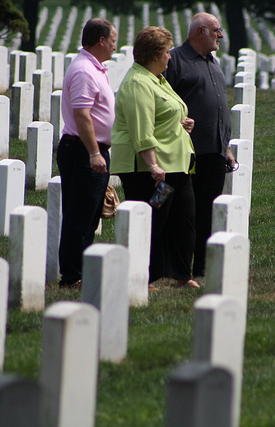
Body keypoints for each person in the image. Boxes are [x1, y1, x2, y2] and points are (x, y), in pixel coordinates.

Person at [110, 26, 199, 289]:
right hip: (152, 169)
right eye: (167, 52)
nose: (170, 57)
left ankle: (182, 274)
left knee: (184, 219)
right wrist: (153, 165)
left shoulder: (157, 79)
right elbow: (141, 130)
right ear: (154, 54)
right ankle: (141, 275)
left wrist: (182, 123)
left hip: (177, 165)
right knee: (151, 222)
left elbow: (164, 115)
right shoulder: (138, 83)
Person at [164, 12, 235, 278]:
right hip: (186, 152)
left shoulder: (213, 62)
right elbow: (163, 104)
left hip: (214, 152)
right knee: (183, 213)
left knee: (208, 212)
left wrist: (225, 146)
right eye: (217, 30)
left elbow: (218, 108)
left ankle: (202, 266)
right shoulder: (175, 61)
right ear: (201, 31)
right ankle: (176, 267)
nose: (221, 35)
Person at [56, 18, 117, 288]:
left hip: (92, 150)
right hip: (83, 151)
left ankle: (79, 271)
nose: (116, 46)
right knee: (80, 216)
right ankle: (71, 276)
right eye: (113, 40)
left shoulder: (95, 68)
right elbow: (82, 115)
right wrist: (94, 153)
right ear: (101, 40)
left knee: (90, 215)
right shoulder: (84, 70)